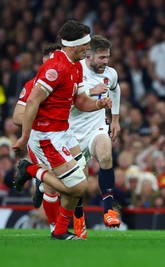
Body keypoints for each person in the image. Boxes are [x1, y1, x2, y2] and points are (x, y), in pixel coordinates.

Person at [12, 20, 112, 240]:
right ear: (74, 45)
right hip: (47, 137)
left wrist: (98, 104)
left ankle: (59, 231)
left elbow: (81, 101)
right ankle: (31, 170)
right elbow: (32, 103)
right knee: (77, 187)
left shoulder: (75, 66)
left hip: (64, 133)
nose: (88, 48)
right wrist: (25, 137)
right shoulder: (55, 68)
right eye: (85, 44)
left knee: (78, 181)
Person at [68, 34, 122, 238]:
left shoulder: (110, 74)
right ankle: (79, 217)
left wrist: (115, 119)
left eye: (107, 57)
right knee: (80, 182)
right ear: (88, 56)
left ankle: (108, 210)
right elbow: (66, 98)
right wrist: (92, 91)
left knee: (106, 155)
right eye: (101, 58)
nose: (105, 62)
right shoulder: (75, 70)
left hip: (97, 127)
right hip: (71, 132)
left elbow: (116, 90)